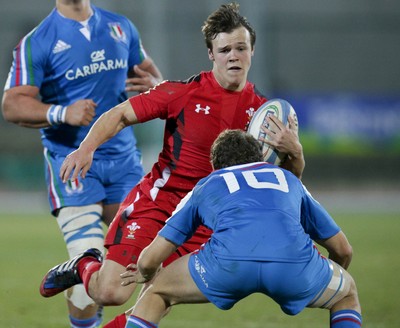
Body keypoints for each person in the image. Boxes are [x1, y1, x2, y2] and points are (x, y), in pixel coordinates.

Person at [39, 3, 305, 327]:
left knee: (157, 298)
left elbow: (280, 187)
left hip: (204, 220)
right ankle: (84, 264)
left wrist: (295, 155)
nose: (233, 56)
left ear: (252, 51)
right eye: (225, 50)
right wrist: (86, 148)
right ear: (211, 53)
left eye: (240, 48)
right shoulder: (183, 93)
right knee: (110, 292)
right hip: (158, 205)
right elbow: (120, 114)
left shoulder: (266, 115)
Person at [1, 1, 163, 327]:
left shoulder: (121, 27)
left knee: (150, 264)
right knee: (89, 275)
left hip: (124, 163)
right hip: (72, 165)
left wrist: (155, 87)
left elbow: (151, 74)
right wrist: (62, 112)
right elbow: (12, 104)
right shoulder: (38, 41)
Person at [119, 129, 362, 328]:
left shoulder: (208, 184)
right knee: (347, 292)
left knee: (155, 293)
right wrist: (314, 279)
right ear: (261, 158)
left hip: (226, 267)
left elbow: (150, 259)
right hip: (294, 267)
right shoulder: (287, 179)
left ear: (215, 165)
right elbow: (343, 249)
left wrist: (148, 274)